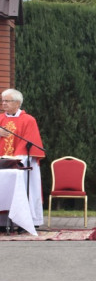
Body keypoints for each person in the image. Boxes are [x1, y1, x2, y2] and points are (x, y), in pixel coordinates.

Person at [1, 88, 46, 227]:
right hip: (2, 164)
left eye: (7, 101)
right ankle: (3, 221)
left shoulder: (28, 120)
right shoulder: (0, 119)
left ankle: (28, 221)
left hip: (22, 164)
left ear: (17, 103)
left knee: (26, 188)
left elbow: (29, 141)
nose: (4, 104)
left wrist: (17, 158)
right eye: (2, 101)